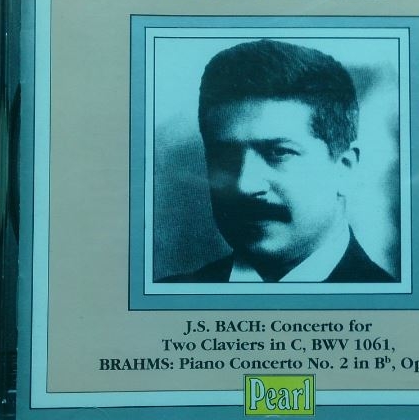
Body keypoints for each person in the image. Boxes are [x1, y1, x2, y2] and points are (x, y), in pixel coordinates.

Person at [161, 39, 394, 283]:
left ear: (344, 168)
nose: (244, 185)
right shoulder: (169, 297)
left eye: (279, 153)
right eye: (225, 157)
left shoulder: (391, 304)